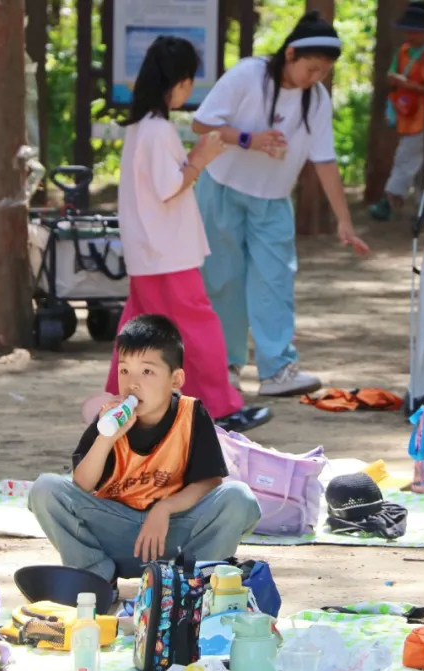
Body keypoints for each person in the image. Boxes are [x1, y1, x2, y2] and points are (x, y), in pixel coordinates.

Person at [192, 12, 370, 398]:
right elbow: (202, 124)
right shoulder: (246, 75)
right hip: (221, 188)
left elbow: (324, 159)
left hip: (273, 200)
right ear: (290, 53)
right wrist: (247, 139)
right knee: (224, 280)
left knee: (275, 280)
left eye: (323, 72)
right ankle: (226, 367)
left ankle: (278, 370)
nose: (315, 78)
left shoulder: (317, 98)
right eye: (311, 69)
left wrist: (344, 221)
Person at [103, 36, 270, 434]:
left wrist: (194, 158)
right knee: (197, 328)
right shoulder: (157, 129)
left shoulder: (141, 128)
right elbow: (169, 186)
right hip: (167, 253)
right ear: (175, 82)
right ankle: (222, 406)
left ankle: (119, 404)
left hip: (151, 252)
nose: (191, 88)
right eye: (189, 80)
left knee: (138, 332)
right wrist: (200, 159)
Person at [29, 315, 261, 594]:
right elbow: (82, 484)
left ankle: (188, 583)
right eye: (124, 371)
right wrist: (106, 439)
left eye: (147, 372)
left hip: (171, 536)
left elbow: (209, 482)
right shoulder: (110, 418)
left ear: (176, 379)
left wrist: (164, 508)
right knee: (45, 488)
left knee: (239, 498)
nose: (132, 383)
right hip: (116, 532)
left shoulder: (191, 414)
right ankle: (96, 578)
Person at [370, 1, 424, 222]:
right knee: (417, 164)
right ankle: (423, 210)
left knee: (405, 158)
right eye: (408, 30)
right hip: (406, 114)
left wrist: (407, 84)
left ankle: (389, 201)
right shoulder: (403, 51)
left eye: (415, 30)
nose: (410, 35)